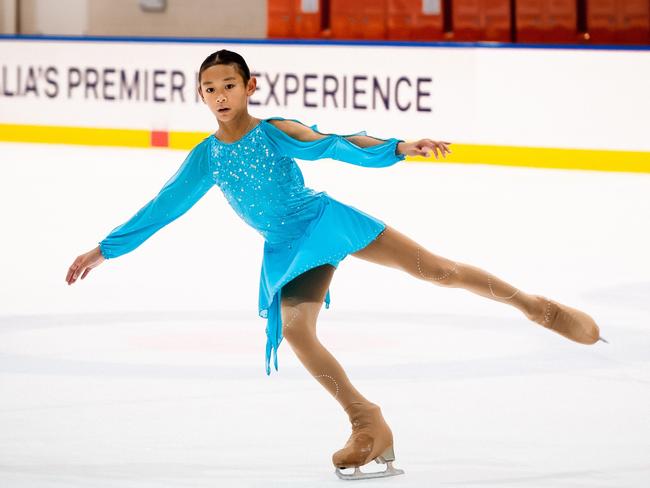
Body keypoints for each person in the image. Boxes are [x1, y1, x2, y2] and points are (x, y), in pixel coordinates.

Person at [65, 49, 607, 481]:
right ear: (200, 96)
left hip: (322, 221)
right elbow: (164, 206)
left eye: (229, 84)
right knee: (298, 330)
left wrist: (400, 146)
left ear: (250, 87)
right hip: (285, 246)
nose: (219, 95)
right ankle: (367, 422)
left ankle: (537, 307)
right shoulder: (208, 156)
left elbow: (334, 144)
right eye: (209, 88)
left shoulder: (274, 130)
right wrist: (104, 249)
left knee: (435, 270)